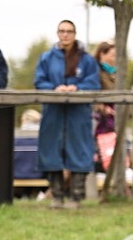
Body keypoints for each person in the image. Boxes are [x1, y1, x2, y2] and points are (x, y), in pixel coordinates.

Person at [34, 20, 100, 209]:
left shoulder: (86, 59)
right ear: (57, 34)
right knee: (51, 150)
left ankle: (76, 197)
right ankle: (57, 196)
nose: (65, 35)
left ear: (74, 34)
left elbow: (93, 82)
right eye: (62, 31)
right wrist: (54, 88)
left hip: (78, 112)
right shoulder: (47, 58)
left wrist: (76, 88)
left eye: (69, 31)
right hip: (53, 111)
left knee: (80, 150)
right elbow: (39, 81)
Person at [92, 41, 117, 174]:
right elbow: (93, 93)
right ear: (102, 54)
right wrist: (102, 107)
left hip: (111, 120)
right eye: (113, 55)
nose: (115, 59)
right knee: (101, 155)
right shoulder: (96, 72)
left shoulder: (114, 73)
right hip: (100, 121)